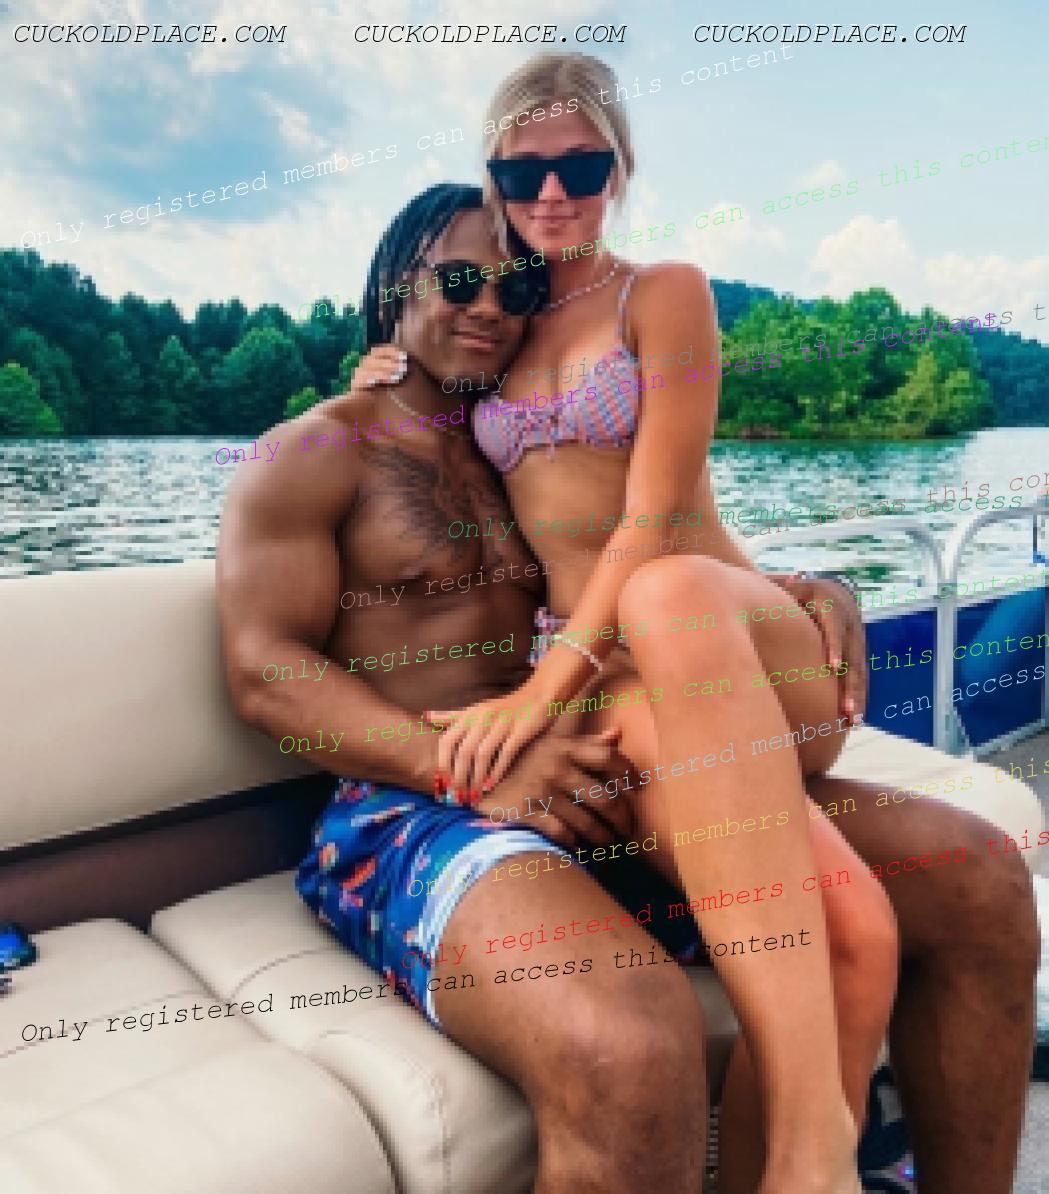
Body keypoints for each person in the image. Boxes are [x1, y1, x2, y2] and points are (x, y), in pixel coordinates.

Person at [346, 52, 1038, 1194]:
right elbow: (421, 395)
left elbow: (660, 517)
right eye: (523, 171)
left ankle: (812, 1150)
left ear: (620, 168)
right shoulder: (497, 326)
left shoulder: (660, 294)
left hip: (737, 659)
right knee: (852, 932)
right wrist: (380, 363)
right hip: (632, 687)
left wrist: (542, 692)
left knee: (664, 589)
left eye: (581, 166)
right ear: (493, 176)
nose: (551, 193)